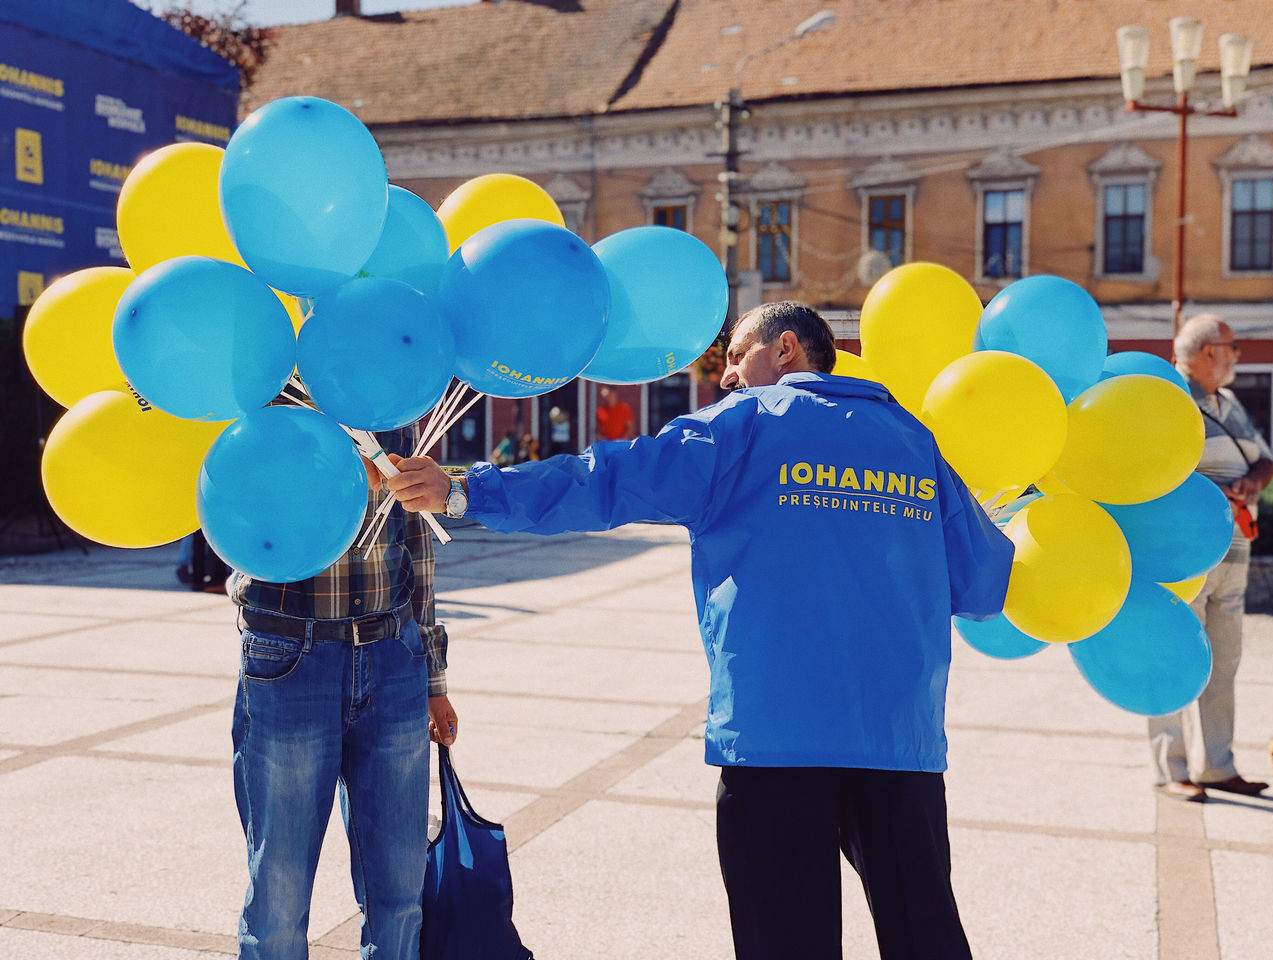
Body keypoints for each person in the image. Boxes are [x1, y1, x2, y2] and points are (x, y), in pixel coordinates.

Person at [386, 301, 1013, 960]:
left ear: (787, 350)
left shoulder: (744, 429)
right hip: (898, 742)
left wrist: (466, 492)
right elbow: (981, 587)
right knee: (926, 936)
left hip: (776, 742)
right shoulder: (914, 441)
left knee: (787, 943)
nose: (725, 378)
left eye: (737, 356)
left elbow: (610, 480)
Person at [228, 420, 458, 960]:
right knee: (279, 896)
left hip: (392, 657)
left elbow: (417, 552)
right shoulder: (265, 403)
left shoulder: (399, 401)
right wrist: (335, 477)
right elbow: (233, 508)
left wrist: (434, 677)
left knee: (401, 891)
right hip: (289, 656)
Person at [1149, 314, 1273, 801]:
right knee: (1175, 656)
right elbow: (1152, 471)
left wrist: (1253, 482)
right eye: (1234, 345)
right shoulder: (1168, 398)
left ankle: (1216, 768)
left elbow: (1266, 459)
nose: (1238, 354)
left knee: (1223, 663)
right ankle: (1171, 768)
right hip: (1186, 555)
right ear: (1207, 353)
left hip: (1234, 554)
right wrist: (1209, 492)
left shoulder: (1228, 403)